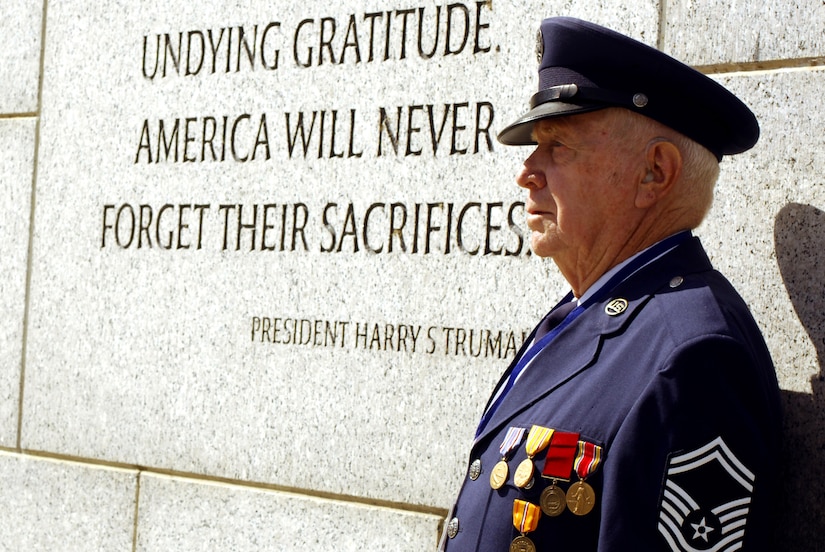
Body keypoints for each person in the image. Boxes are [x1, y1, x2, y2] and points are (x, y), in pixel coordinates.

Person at [439, 17, 782, 552]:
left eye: (559, 146)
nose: (526, 171)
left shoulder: (693, 357)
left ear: (655, 174)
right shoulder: (581, 316)